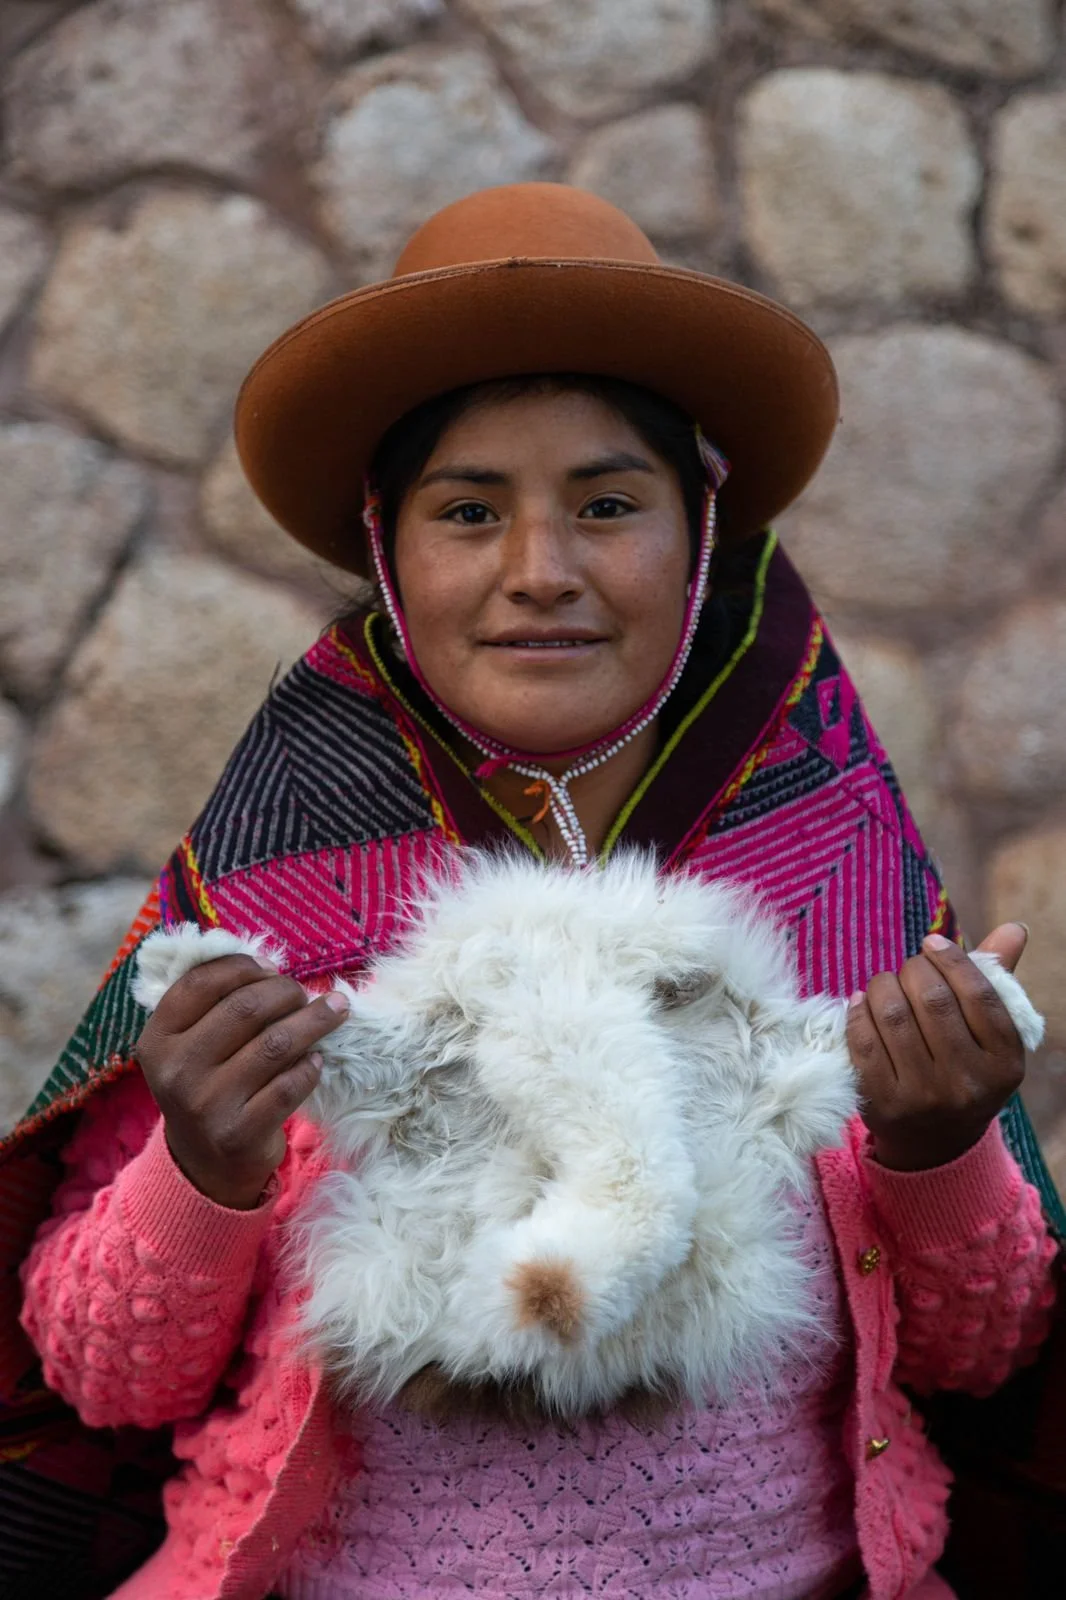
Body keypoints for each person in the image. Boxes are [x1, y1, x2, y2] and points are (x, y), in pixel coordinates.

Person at [0, 182, 1062, 1600]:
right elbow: (103, 1373)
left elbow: (973, 1354)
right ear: (389, 550)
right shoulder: (274, 905)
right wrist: (204, 1168)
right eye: (467, 511)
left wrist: (935, 1148)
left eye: (608, 504)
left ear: (700, 540)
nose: (538, 571)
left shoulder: (834, 881)